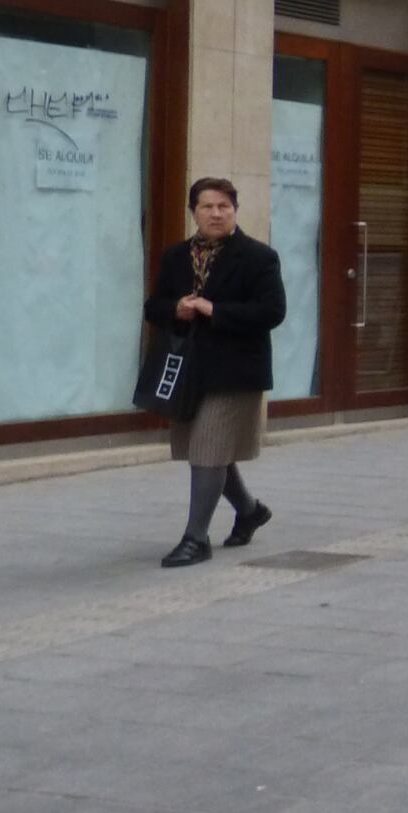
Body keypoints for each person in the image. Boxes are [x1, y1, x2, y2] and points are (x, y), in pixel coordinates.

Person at [146, 179, 288, 568]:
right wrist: (177, 308)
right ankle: (249, 509)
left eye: (224, 206)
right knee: (207, 449)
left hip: (235, 371)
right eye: (207, 206)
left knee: (207, 451)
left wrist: (216, 311)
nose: (216, 213)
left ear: (235, 210)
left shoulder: (259, 257)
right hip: (188, 370)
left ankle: (196, 538)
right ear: (194, 211)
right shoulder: (176, 256)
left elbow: (272, 312)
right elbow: (152, 306)